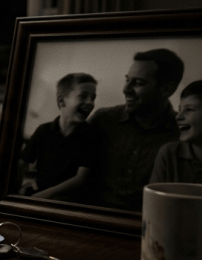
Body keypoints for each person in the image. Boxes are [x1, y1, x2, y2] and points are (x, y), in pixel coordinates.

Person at [86, 48, 184, 211]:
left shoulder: (182, 133)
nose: (126, 89)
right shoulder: (102, 119)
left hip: (146, 223)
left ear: (167, 89)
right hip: (92, 215)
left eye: (138, 83)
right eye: (127, 80)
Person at [19, 73, 99, 201]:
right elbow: (21, 163)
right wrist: (19, 187)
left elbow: (80, 179)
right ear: (62, 101)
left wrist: (43, 196)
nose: (90, 102)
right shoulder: (43, 131)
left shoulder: (91, 135)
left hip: (68, 201)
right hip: (38, 194)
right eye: (83, 96)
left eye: (93, 98)